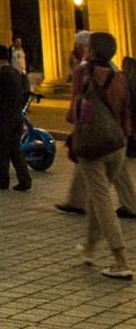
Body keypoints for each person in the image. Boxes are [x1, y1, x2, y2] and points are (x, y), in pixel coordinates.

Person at [69, 31, 133, 279]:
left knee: (103, 201)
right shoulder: (120, 77)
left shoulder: (82, 73)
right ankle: (88, 248)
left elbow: (74, 111)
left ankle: (120, 260)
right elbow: (126, 112)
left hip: (93, 146)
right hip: (117, 144)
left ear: (91, 50)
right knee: (100, 196)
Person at [0, 43, 32, 192]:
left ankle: (2, 179)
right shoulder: (16, 72)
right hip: (17, 116)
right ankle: (24, 179)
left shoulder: (1, 74)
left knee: (1, 149)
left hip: (4, 116)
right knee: (15, 149)